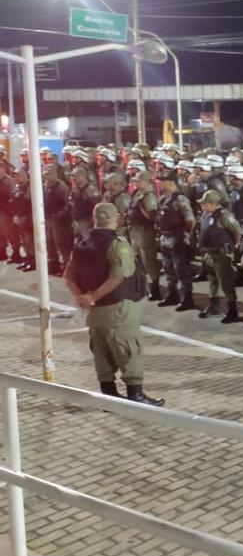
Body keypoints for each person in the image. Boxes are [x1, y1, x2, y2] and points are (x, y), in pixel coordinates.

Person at [63, 203, 163, 405]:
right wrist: (93, 296)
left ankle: (108, 395)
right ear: (116, 219)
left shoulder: (82, 242)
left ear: (94, 218)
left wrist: (81, 296)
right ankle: (136, 395)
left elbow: (68, 275)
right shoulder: (118, 244)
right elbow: (117, 278)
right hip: (118, 309)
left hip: (94, 313)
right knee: (128, 348)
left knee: (102, 352)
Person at [196, 191, 243, 323]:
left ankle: (232, 311)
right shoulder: (206, 215)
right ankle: (214, 306)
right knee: (213, 280)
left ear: (213, 204)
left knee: (226, 282)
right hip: (209, 253)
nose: (202, 206)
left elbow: (238, 232)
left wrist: (234, 250)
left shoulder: (225, 215)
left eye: (204, 203)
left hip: (222, 254)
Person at [155, 172, 196, 311]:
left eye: (163, 180)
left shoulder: (180, 199)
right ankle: (172, 294)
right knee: (168, 268)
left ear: (171, 182)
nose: (160, 183)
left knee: (181, 269)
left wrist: (185, 235)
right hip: (165, 236)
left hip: (176, 237)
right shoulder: (163, 199)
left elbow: (190, 220)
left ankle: (186, 298)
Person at [128, 171, 163, 302]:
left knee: (148, 259)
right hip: (135, 229)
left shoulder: (149, 196)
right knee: (138, 259)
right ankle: (144, 286)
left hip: (145, 230)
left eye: (138, 181)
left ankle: (155, 288)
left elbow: (152, 216)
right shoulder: (138, 193)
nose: (136, 183)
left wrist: (141, 206)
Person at [42, 164, 72, 275]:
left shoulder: (61, 187)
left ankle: (66, 267)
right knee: (49, 243)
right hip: (48, 218)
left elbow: (67, 205)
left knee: (61, 244)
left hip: (59, 221)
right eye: (45, 174)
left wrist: (59, 215)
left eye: (49, 174)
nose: (46, 177)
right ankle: (53, 264)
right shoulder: (45, 186)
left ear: (55, 174)